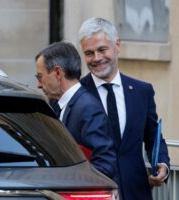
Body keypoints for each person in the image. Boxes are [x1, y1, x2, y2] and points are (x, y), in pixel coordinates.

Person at [78, 17, 170, 200]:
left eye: (102, 50)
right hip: (96, 194)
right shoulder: (77, 95)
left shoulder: (142, 92)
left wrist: (162, 164)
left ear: (117, 45)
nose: (96, 58)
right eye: (89, 53)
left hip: (137, 193)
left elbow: (153, 138)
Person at [34, 41, 118, 179]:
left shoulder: (88, 108)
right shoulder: (56, 104)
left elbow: (105, 165)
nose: (38, 84)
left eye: (40, 76)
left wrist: (67, 180)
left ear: (57, 72)